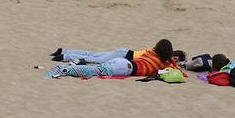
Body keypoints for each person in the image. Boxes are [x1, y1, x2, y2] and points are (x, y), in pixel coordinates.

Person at [47, 39, 185, 79]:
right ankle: (65, 61)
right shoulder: (161, 64)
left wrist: (171, 61)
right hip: (124, 62)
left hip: (124, 59)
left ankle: (65, 53)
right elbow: (175, 71)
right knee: (94, 63)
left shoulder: (150, 53)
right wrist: (174, 64)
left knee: (94, 57)